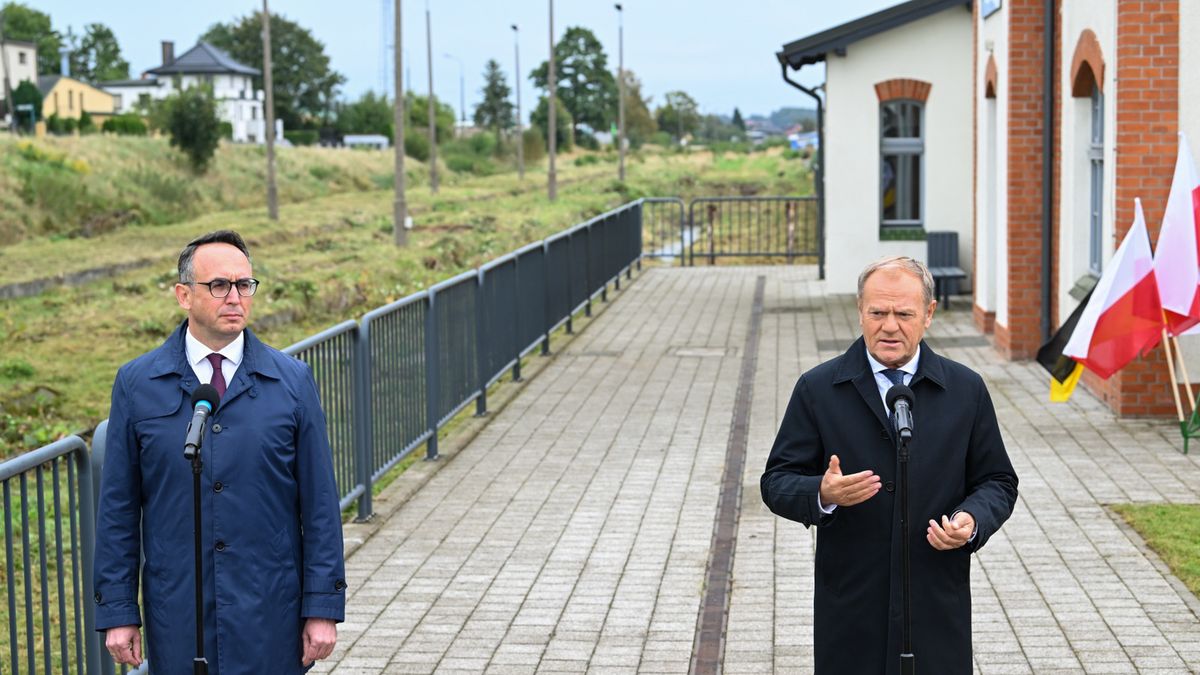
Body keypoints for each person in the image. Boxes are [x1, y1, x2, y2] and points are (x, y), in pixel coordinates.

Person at [94, 230, 346, 673]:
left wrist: (322, 606)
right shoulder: (137, 384)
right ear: (183, 295)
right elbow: (118, 507)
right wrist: (117, 611)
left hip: (270, 610)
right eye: (219, 286)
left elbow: (320, 505)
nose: (235, 297)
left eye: (244, 285)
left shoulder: (291, 382)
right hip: (178, 613)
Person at [761, 256, 1018, 674]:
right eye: (878, 313)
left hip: (936, 603)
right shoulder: (818, 389)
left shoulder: (965, 389)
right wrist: (822, 494)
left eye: (904, 314)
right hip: (852, 606)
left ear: (929, 315)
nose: (890, 326)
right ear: (860, 311)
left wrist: (971, 519)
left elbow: (997, 480)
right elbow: (776, 482)